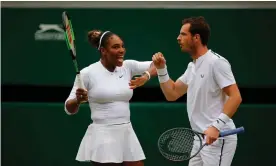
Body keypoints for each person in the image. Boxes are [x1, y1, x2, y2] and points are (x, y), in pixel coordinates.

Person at [152, 16, 242, 166]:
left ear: (196, 37)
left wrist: (215, 126)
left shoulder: (217, 63)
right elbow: (172, 94)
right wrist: (161, 69)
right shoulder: (192, 67)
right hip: (199, 139)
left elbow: (235, 97)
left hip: (218, 138)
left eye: (183, 34)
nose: (178, 38)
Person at [64, 29, 157, 166]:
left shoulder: (128, 66)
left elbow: (159, 63)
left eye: (122, 46)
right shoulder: (87, 73)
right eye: (115, 47)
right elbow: (69, 108)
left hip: (126, 132)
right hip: (103, 136)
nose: (121, 50)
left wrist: (146, 76)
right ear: (103, 51)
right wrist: (78, 100)